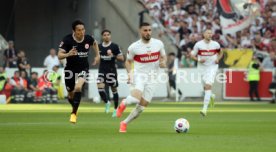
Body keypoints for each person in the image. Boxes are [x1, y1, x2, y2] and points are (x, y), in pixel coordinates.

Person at [116, 22, 167, 133]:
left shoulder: (158, 43)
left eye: (149, 30)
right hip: (139, 75)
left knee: (141, 107)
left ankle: (124, 123)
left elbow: (163, 56)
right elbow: (128, 62)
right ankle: (123, 103)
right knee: (135, 99)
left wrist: (163, 62)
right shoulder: (134, 47)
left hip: (153, 78)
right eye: (145, 30)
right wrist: (130, 74)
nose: (148, 32)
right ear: (140, 31)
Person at [58, 19, 100, 124]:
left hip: (83, 68)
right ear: (74, 31)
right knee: (70, 93)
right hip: (70, 69)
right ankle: (74, 106)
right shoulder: (67, 40)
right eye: (78, 30)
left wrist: (97, 55)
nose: (81, 32)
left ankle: (73, 114)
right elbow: (59, 55)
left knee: (78, 87)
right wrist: (68, 54)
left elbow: (94, 43)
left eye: (83, 29)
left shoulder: (88, 38)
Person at [190, 29, 223, 117]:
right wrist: (199, 60)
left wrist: (218, 59)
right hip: (202, 68)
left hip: (212, 67)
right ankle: (211, 96)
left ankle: (204, 109)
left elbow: (221, 53)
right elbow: (192, 55)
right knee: (206, 88)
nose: (210, 34)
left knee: (208, 86)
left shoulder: (215, 44)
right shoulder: (198, 45)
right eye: (208, 33)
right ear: (203, 34)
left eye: (211, 33)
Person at [97, 29, 124, 117]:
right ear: (102, 36)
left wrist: (113, 55)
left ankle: (116, 109)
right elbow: (98, 57)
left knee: (113, 89)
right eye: (104, 35)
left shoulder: (114, 46)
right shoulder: (99, 46)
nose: (106, 36)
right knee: (100, 87)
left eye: (108, 34)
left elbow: (122, 58)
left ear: (110, 36)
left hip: (111, 71)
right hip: (102, 70)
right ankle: (107, 102)